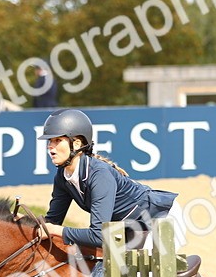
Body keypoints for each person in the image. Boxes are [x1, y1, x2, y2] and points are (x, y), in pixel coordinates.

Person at [39, 108, 183, 253]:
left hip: (162, 218)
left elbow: (98, 236)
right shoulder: (62, 176)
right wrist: (23, 223)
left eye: (57, 140)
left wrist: (59, 231)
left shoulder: (99, 175)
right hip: (132, 227)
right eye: (50, 141)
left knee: (145, 275)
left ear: (76, 144)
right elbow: (52, 222)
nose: (50, 146)